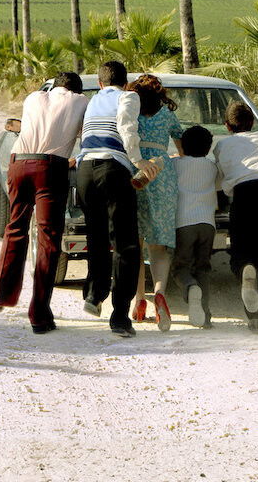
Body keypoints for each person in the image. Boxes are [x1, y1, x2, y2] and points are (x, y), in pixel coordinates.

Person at [0, 72, 89, 334]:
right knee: (48, 239)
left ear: (54, 86)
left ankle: (2, 295)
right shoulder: (82, 102)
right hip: (50, 169)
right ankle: (39, 315)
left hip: (19, 163)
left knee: (15, 228)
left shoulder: (34, 97)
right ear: (76, 90)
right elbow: (82, 137)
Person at [75, 61, 160, 338]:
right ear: (126, 83)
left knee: (97, 236)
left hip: (86, 170)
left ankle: (94, 294)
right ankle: (120, 316)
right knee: (126, 243)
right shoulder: (129, 96)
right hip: (113, 168)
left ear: (100, 83)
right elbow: (126, 127)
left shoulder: (91, 101)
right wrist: (139, 161)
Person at [213, 102, 258, 333]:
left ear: (226, 125)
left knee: (241, 252)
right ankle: (256, 317)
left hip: (243, 196)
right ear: (252, 123)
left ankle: (244, 267)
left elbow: (221, 180)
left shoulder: (222, 145)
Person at [126, 74, 183, 331]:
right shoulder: (167, 115)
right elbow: (182, 151)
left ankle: (138, 300)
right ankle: (159, 292)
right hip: (162, 174)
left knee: (135, 243)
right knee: (158, 244)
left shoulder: (131, 114)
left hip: (135, 169)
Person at [171, 125, 218, 329]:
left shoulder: (175, 165)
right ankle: (205, 317)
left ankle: (190, 288)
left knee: (180, 268)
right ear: (208, 149)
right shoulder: (211, 166)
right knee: (203, 268)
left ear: (183, 146)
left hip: (184, 223)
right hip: (207, 224)